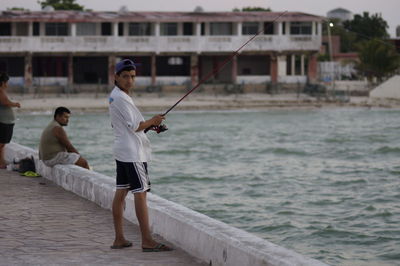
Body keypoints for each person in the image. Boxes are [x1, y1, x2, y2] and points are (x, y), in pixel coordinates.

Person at [109, 59, 172, 251]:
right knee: (141, 194)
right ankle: (147, 241)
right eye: (125, 76)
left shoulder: (115, 96)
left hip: (123, 150)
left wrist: (151, 127)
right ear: (116, 77)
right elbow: (135, 126)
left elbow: (131, 127)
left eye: (132, 77)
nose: (129, 80)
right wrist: (153, 120)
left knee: (121, 193)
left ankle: (119, 238)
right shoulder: (121, 98)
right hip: (133, 153)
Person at [0, 72, 21, 169]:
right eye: (7, 82)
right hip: (3, 121)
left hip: (6, 121)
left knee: (2, 143)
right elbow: (5, 102)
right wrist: (15, 104)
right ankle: (1, 163)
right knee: (1, 143)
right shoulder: (0, 91)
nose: (8, 84)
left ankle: (2, 161)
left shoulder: (2, 91)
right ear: (3, 82)